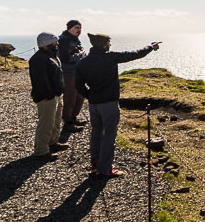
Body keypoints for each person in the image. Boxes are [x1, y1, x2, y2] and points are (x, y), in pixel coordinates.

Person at [75, 33, 160, 179]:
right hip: (109, 103)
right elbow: (135, 54)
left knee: (96, 133)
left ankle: (95, 164)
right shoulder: (110, 57)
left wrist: (90, 96)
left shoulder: (82, 62)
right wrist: (151, 47)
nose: (110, 44)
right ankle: (105, 169)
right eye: (109, 41)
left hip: (94, 104)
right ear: (103, 44)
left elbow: (78, 85)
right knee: (109, 135)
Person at [27, 32, 69, 160]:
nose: (57, 43)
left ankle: (52, 142)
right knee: (46, 123)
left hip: (55, 94)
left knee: (55, 121)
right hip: (47, 97)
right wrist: (49, 95)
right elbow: (40, 80)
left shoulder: (52, 55)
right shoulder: (38, 59)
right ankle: (41, 151)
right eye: (54, 41)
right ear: (46, 44)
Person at [57, 19, 87, 132]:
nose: (79, 30)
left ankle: (73, 118)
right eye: (76, 28)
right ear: (69, 28)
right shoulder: (64, 40)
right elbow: (65, 58)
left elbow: (79, 51)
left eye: (80, 28)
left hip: (76, 72)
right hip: (67, 73)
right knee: (70, 97)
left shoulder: (74, 39)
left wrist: (81, 54)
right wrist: (79, 55)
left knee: (80, 96)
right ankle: (67, 122)